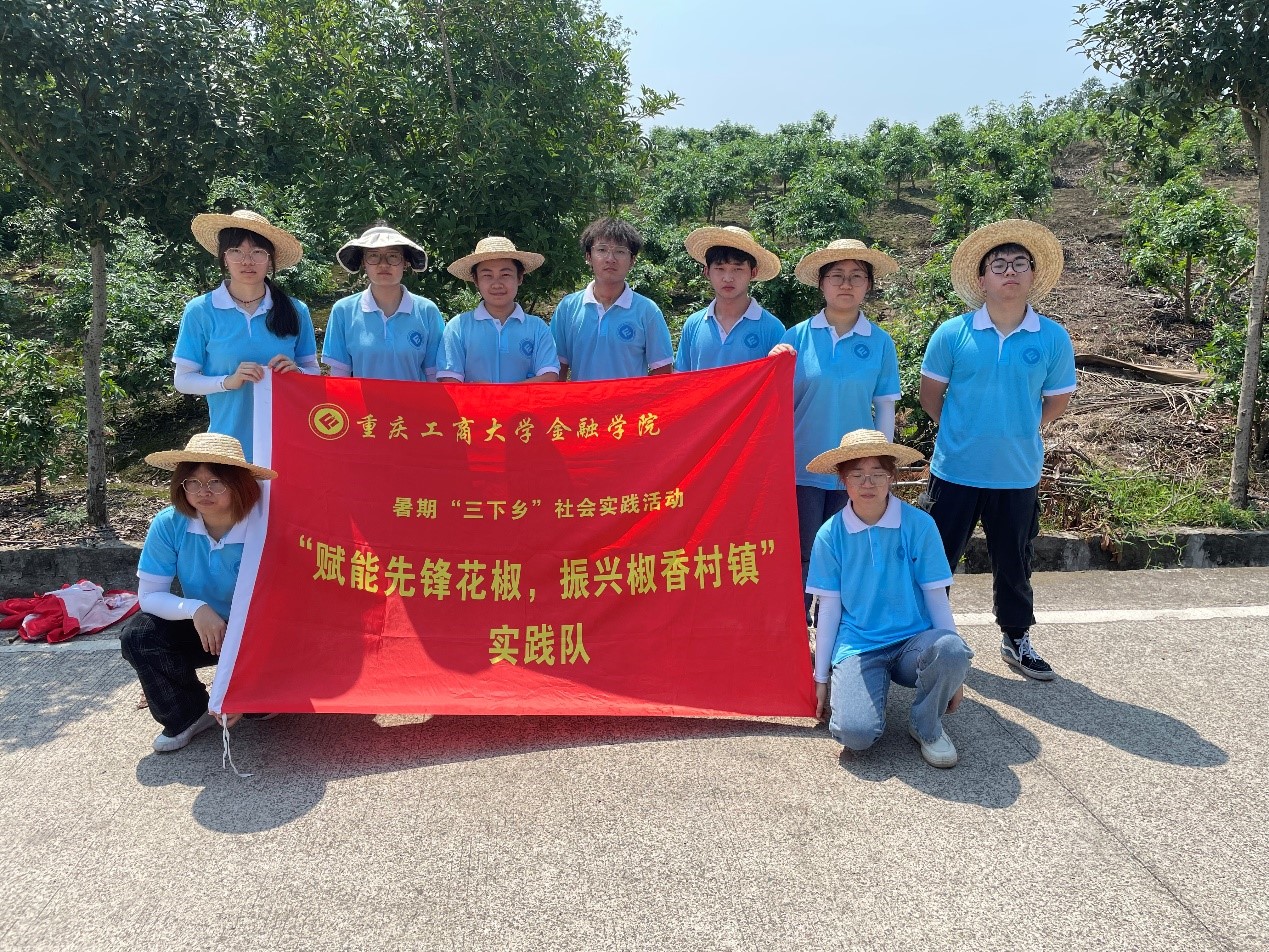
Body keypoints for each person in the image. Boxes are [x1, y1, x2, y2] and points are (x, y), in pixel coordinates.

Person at [918, 219, 1076, 680]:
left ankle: (1016, 637)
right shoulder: (953, 333)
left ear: (1033, 275)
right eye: (999, 264)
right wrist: (964, 431)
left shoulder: (1052, 337)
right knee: (936, 560)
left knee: (1015, 562)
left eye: (1019, 263)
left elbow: (1056, 402)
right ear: (981, 278)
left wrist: (1018, 429)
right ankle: (926, 637)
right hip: (955, 470)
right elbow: (930, 396)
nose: (1010, 271)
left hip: (1016, 472)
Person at [805, 429, 972, 768]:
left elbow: (937, 598)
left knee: (952, 649)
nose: (867, 483)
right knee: (855, 735)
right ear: (843, 479)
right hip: (859, 644)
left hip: (914, 642)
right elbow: (829, 610)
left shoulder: (920, 525)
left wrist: (954, 674)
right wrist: (821, 678)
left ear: (892, 476)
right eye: (857, 474)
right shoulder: (830, 535)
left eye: (877, 473)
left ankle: (926, 726)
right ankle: (865, 692)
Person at [120, 433, 276, 753]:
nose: (204, 492)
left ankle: (254, 692)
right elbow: (149, 596)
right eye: (193, 482)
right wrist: (196, 609)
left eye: (216, 481)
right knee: (139, 634)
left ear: (240, 484)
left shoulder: (267, 523)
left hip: (264, 632)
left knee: (260, 711)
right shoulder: (169, 524)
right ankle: (188, 713)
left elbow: (289, 600)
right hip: (210, 631)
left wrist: (237, 680)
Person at [768, 239, 902, 608]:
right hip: (801, 466)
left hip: (855, 470)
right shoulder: (795, 337)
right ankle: (798, 625)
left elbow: (884, 406)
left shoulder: (880, 343)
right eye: (836, 276)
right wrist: (771, 363)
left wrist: (880, 467)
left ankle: (840, 626)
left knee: (848, 552)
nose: (846, 284)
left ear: (868, 285)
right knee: (801, 551)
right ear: (821, 283)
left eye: (857, 276)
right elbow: (774, 406)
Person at [176, 209, 317, 461]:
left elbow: (314, 374)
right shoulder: (201, 311)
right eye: (236, 251)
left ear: (270, 260)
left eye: (257, 252)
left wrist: (298, 373)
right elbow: (183, 380)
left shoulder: (296, 310)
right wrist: (227, 381)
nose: (247, 261)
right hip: (227, 445)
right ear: (224, 257)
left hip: (288, 444)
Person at [550, 217, 673, 381]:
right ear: (588, 256)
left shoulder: (647, 311)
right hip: (582, 398)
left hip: (630, 399)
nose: (610, 259)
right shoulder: (567, 308)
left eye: (620, 251)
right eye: (602, 250)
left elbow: (663, 370)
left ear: (632, 260)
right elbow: (557, 368)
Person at [322, 221, 445, 381]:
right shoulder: (343, 311)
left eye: (393, 256)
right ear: (363, 262)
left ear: (405, 262)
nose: (383, 264)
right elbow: (340, 379)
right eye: (373, 256)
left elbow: (434, 376)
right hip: (363, 399)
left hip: (414, 399)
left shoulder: (427, 311)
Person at [436, 237, 559, 383]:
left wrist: (498, 393)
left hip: (519, 401)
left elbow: (549, 377)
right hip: (475, 401)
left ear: (520, 277)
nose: (497, 284)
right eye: (487, 275)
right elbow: (450, 380)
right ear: (476, 280)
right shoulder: (458, 327)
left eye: (505, 274)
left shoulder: (537, 328)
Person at [674, 226, 786, 371]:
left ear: (753, 272)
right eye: (719, 269)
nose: (727, 278)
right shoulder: (693, 324)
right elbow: (681, 377)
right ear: (707, 272)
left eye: (737, 269)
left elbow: (780, 379)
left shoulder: (772, 328)